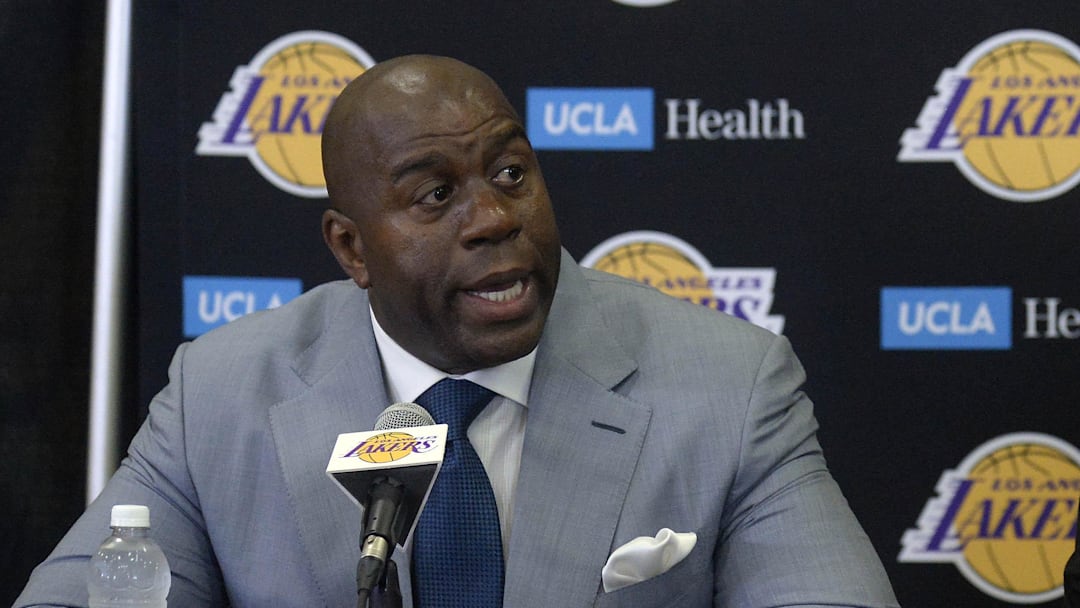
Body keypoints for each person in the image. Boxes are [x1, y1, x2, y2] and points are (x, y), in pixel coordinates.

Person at [16, 55, 899, 607]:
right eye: (434, 195)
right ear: (352, 249)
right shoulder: (222, 393)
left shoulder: (730, 387)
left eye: (511, 172)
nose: (492, 218)